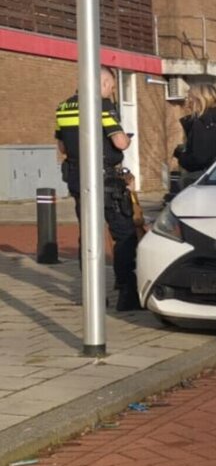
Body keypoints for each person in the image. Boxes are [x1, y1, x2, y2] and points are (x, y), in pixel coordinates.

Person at [55, 66, 141, 311]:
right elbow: (120, 142)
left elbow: (62, 147)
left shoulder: (63, 108)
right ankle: (126, 293)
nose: (112, 91)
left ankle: (93, 295)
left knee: (88, 235)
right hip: (106, 181)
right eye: (112, 87)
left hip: (77, 178)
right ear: (102, 84)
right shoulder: (102, 105)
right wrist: (126, 137)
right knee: (123, 234)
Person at [173, 84, 216, 188]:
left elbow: (199, 159)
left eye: (190, 98)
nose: (187, 103)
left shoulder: (203, 123)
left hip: (206, 182)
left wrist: (181, 156)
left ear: (199, 100)